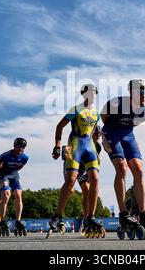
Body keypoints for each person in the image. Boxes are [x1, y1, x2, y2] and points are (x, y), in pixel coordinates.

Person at [101, 79, 145, 237]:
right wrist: (105, 137)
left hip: (127, 134)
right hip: (111, 132)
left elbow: (133, 125)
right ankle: (123, 213)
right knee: (121, 167)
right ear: (131, 92)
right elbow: (103, 116)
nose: (144, 96)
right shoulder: (115, 103)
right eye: (140, 92)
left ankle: (143, 213)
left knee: (138, 169)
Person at [50, 84, 104, 238]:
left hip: (89, 147)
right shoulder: (75, 109)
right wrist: (57, 146)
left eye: (95, 92)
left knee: (94, 179)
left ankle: (90, 217)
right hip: (73, 146)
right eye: (90, 92)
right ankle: (58, 215)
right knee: (70, 181)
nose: (93, 95)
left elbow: (93, 131)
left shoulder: (97, 113)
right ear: (84, 94)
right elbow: (59, 126)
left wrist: (98, 148)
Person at [0, 137, 29, 236]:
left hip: (14, 174)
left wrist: (14, 172)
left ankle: (18, 221)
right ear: (14, 146)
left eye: (23, 147)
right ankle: (2, 220)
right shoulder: (6, 155)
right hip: (4, 175)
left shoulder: (25, 157)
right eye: (19, 146)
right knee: (6, 195)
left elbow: (21, 166)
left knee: (18, 195)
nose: (21, 148)